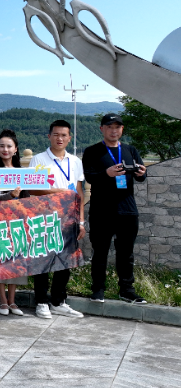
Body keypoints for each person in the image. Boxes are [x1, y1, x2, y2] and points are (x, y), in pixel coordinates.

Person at [83, 113, 148, 304]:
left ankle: (127, 290)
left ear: (122, 129)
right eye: (109, 127)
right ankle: (98, 289)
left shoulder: (130, 150)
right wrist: (107, 173)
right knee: (100, 252)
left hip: (127, 209)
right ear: (102, 129)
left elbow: (141, 177)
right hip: (101, 211)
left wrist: (142, 173)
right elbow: (89, 177)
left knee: (126, 253)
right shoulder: (92, 151)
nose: (114, 130)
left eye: (117, 127)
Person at [28, 120, 86, 318]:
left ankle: (58, 301)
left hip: (69, 218)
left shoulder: (75, 161)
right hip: (45, 218)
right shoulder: (38, 160)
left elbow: (79, 192)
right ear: (49, 136)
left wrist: (81, 221)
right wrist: (58, 192)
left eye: (63, 135)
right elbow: (32, 189)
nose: (59, 138)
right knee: (43, 261)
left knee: (66, 261)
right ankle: (41, 302)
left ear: (69, 138)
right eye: (56, 135)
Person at [0, 129, 28, 317]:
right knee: (1, 261)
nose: (5, 149)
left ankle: (12, 301)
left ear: (15, 149)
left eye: (9, 146)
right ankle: (2, 300)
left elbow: (28, 199)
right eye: (1, 146)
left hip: (18, 222)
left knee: (16, 262)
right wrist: (10, 195)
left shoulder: (22, 173)